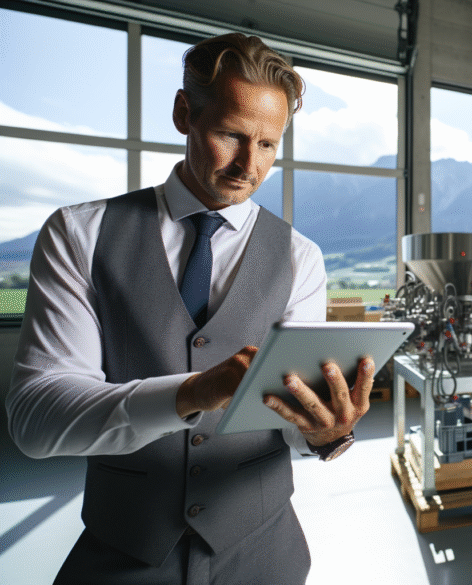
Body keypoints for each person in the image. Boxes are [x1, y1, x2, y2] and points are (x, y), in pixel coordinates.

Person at [5, 33, 373, 584]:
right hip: (123, 552)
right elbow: (35, 421)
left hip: (265, 555)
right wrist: (190, 393)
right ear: (184, 113)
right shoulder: (79, 233)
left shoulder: (302, 258)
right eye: (231, 135)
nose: (250, 165)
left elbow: (296, 427)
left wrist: (324, 434)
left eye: (269, 145)